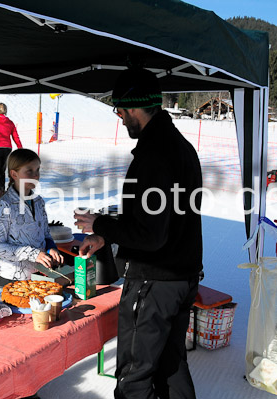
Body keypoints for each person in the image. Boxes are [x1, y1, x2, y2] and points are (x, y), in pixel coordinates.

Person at [74, 67, 203, 399]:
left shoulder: (154, 156)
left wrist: (100, 224)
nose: (119, 117)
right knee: (170, 366)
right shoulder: (180, 147)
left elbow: (151, 235)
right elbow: (163, 219)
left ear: (134, 107)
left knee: (134, 373)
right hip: (181, 276)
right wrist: (108, 235)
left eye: (119, 110)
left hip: (155, 283)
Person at [0, 148, 63, 292]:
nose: (35, 176)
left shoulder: (39, 202)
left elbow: (45, 234)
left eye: (37, 170)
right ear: (14, 174)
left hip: (38, 276)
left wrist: (51, 247)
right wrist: (33, 254)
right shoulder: (4, 205)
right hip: (11, 280)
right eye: (29, 171)